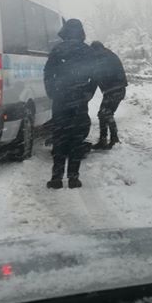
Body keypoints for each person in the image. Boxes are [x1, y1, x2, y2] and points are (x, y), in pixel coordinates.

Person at [43, 18, 97, 189]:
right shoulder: (87, 50)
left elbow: (48, 72)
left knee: (60, 138)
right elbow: (96, 73)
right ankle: (74, 177)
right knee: (76, 138)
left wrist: (52, 91)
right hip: (79, 99)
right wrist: (88, 92)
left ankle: (56, 178)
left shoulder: (57, 50)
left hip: (60, 100)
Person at [90, 40, 127, 150]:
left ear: (96, 49)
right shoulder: (108, 55)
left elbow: (95, 77)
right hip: (118, 89)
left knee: (104, 113)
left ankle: (111, 138)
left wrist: (88, 93)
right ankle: (105, 139)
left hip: (113, 90)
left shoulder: (102, 58)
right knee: (104, 113)